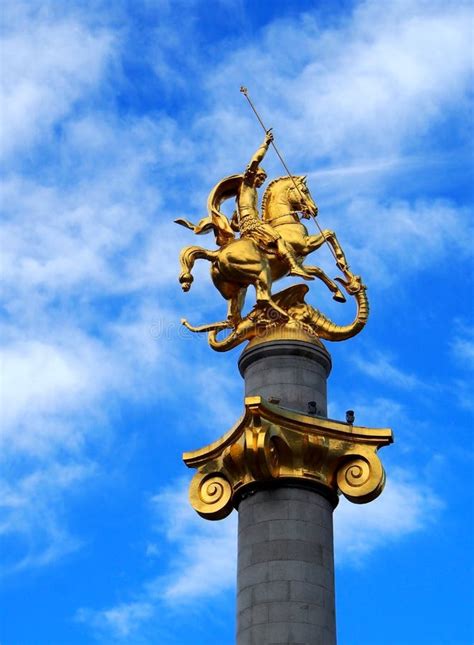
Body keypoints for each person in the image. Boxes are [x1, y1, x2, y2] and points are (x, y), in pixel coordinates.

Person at [236, 130, 313, 280]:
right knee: (276, 237)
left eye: (263, 179)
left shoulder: (253, 191)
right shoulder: (247, 183)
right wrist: (265, 144)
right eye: (260, 177)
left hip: (254, 222)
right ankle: (293, 266)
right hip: (251, 224)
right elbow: (255, 161)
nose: (261, 181)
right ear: (253, 174)